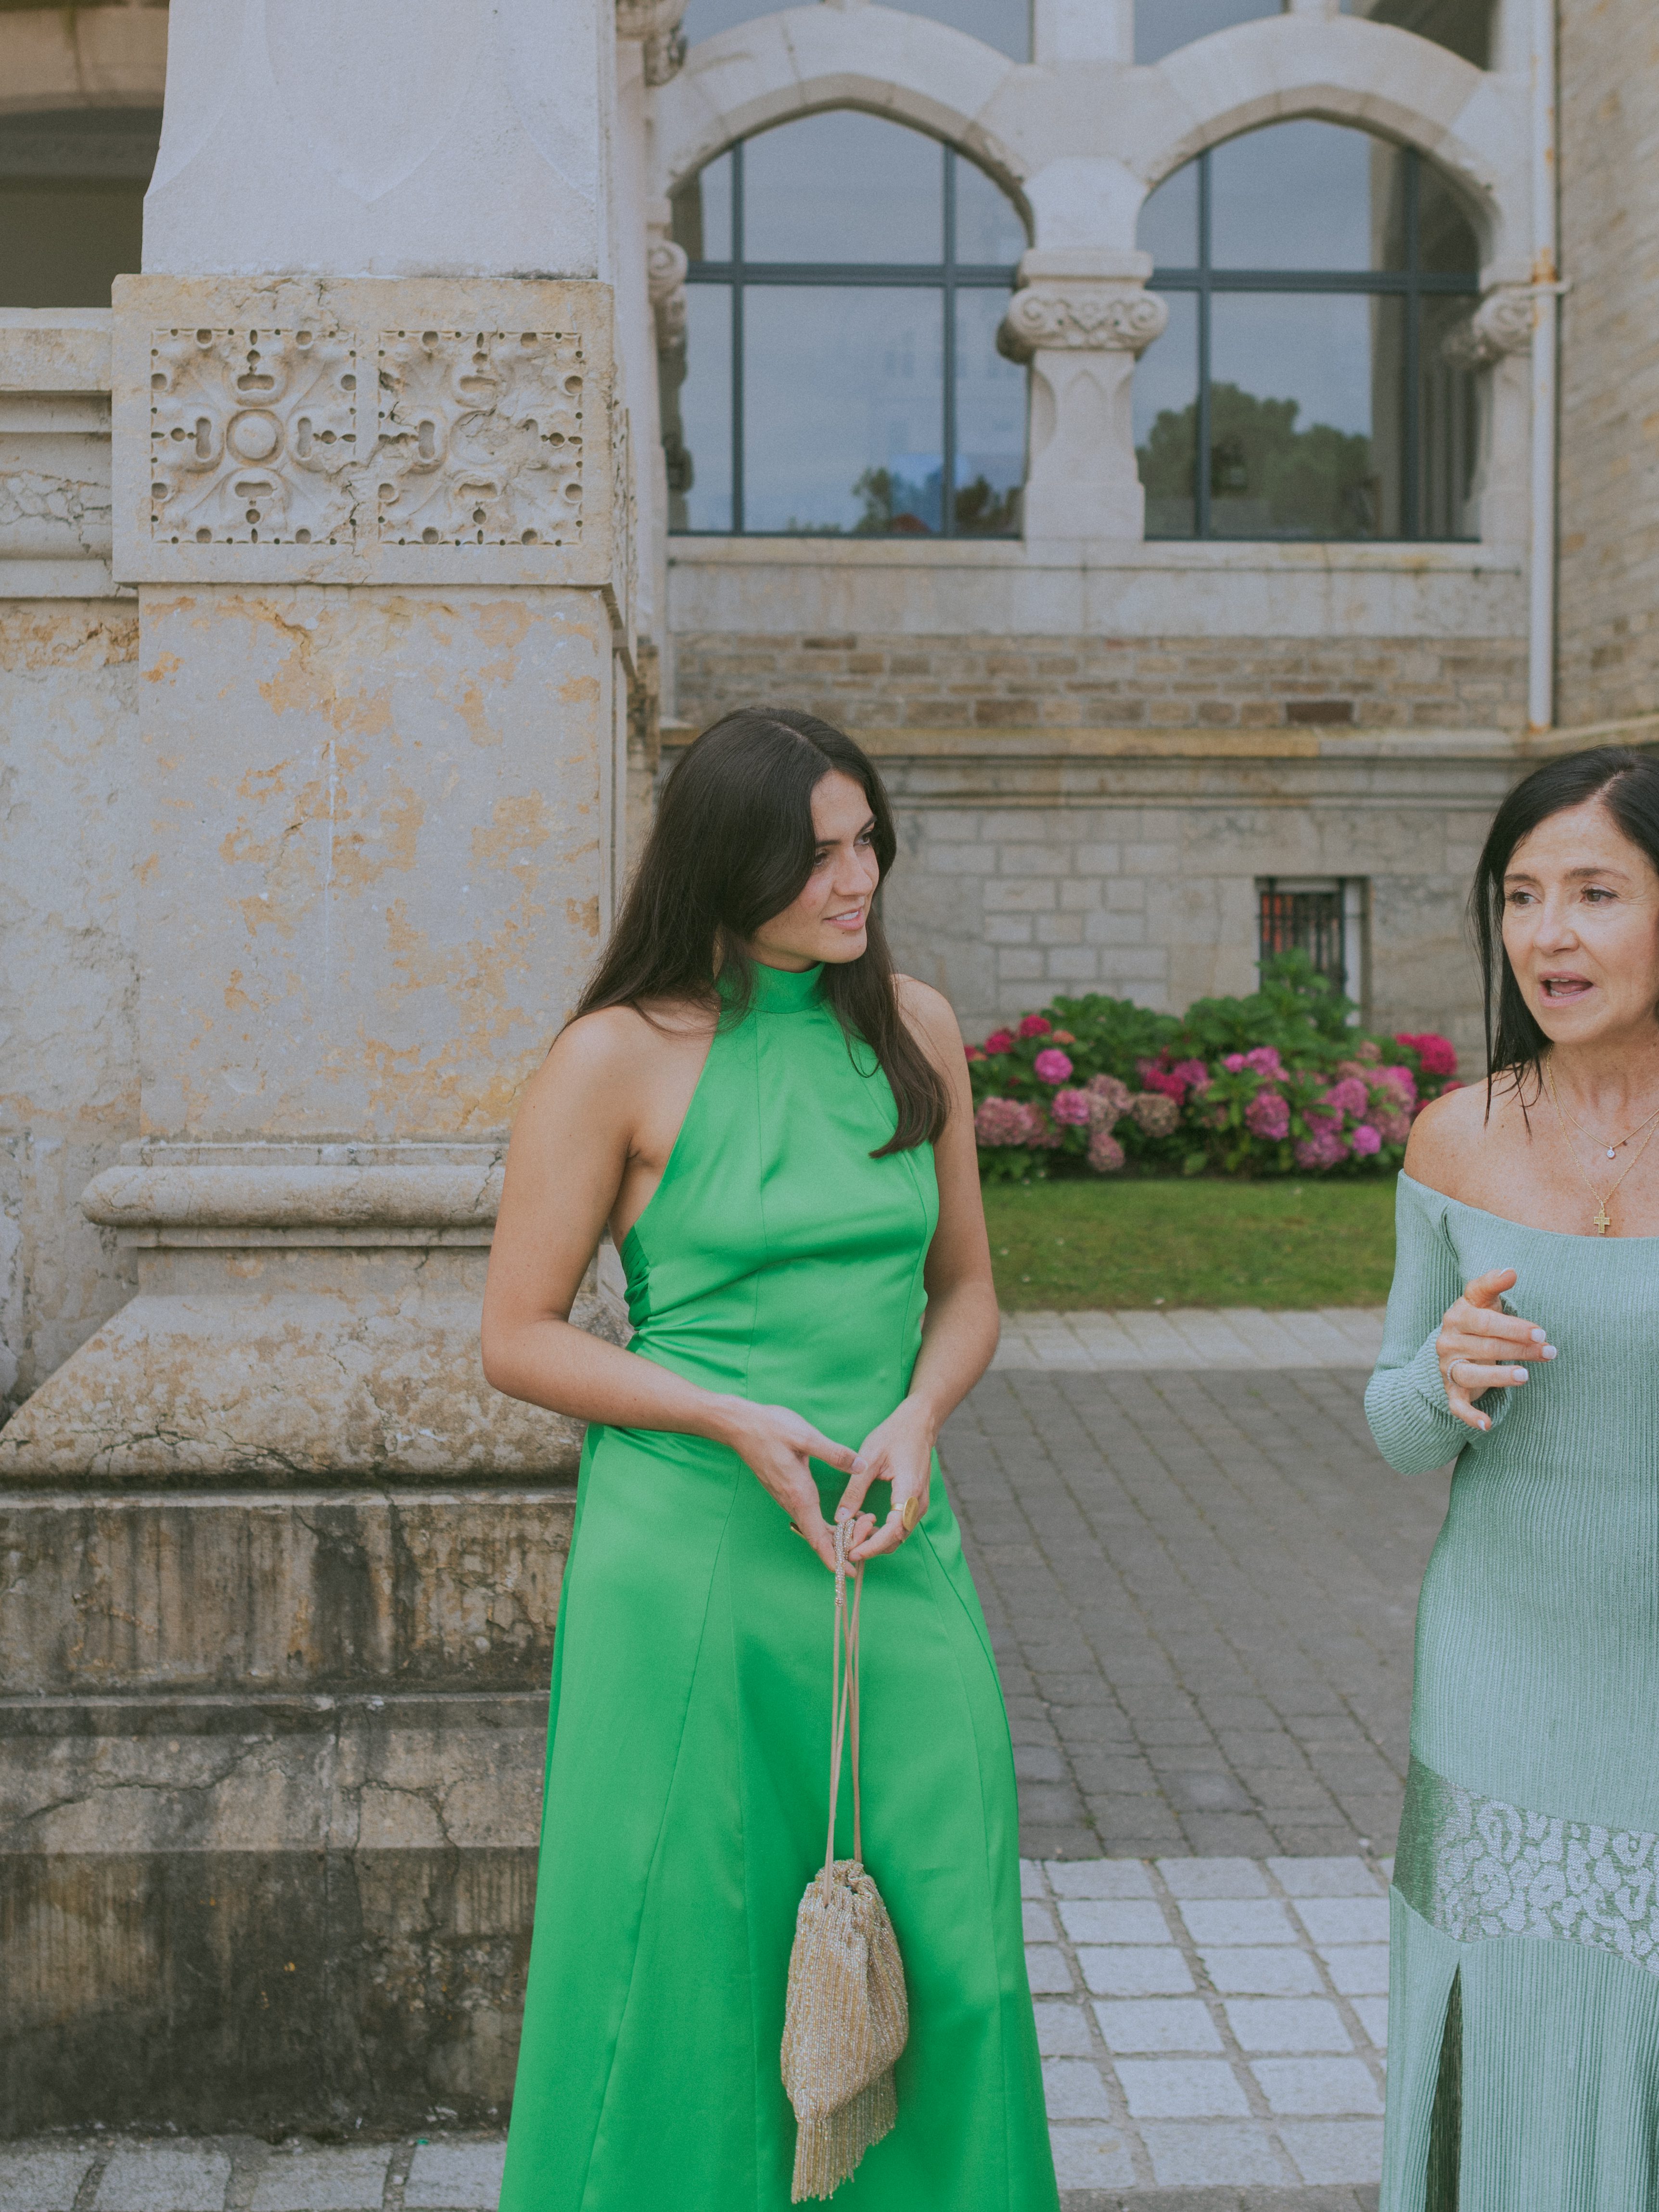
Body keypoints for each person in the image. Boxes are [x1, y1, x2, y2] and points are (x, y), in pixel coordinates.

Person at [483, 708, 1059, 2212]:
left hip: (887, 1535)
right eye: (815, 854)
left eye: (867, 840)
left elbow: (968, 1291)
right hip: (690, 1558)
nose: (855, 877)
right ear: (725, 861)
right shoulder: (614, 1055)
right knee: (687, 1954)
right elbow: (521, 1336)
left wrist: (919, 1416)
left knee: (958, 1951)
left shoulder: (914, 1026)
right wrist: (728, 1414)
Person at [1366, 746, 1659, 2210]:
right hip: (1499, 1668)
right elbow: (1395, 1424)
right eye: (1523, 896)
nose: (1549, 936)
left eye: (1597, 893)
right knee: (1508, 2027)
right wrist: (1443, 1379)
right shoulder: (1459, 1137)